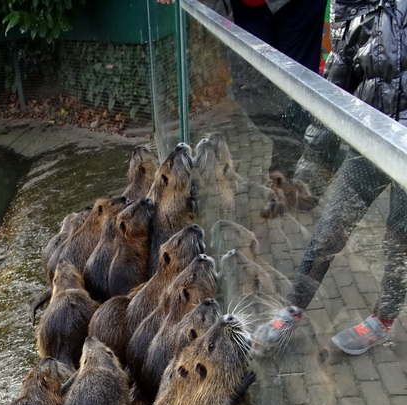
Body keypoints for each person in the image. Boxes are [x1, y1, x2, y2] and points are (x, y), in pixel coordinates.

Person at [256, 1, 407, 356]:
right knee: (329, 229)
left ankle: (382, 321)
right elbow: (336, 86)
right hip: (370, 139)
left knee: (398, 243)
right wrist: (308, 179)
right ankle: (292, 312)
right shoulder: (350, 5)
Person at [156, 0, 328, 175]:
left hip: (297, 7)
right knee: (248, 87)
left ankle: (290, 164)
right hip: (246, 9)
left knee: (296, 86)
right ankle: (316, 147)